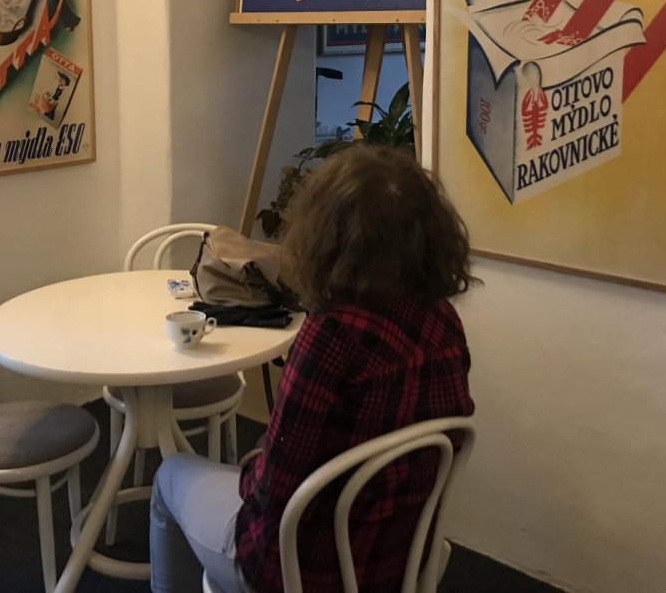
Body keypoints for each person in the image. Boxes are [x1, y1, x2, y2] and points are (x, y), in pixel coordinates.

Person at [149, 145, 476, 593]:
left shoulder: (332, 335)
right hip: (404, 559)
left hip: (304, 572)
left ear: (325, 235)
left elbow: (273, 489)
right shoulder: (443, 321)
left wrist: (254, 465)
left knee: (170, 476)